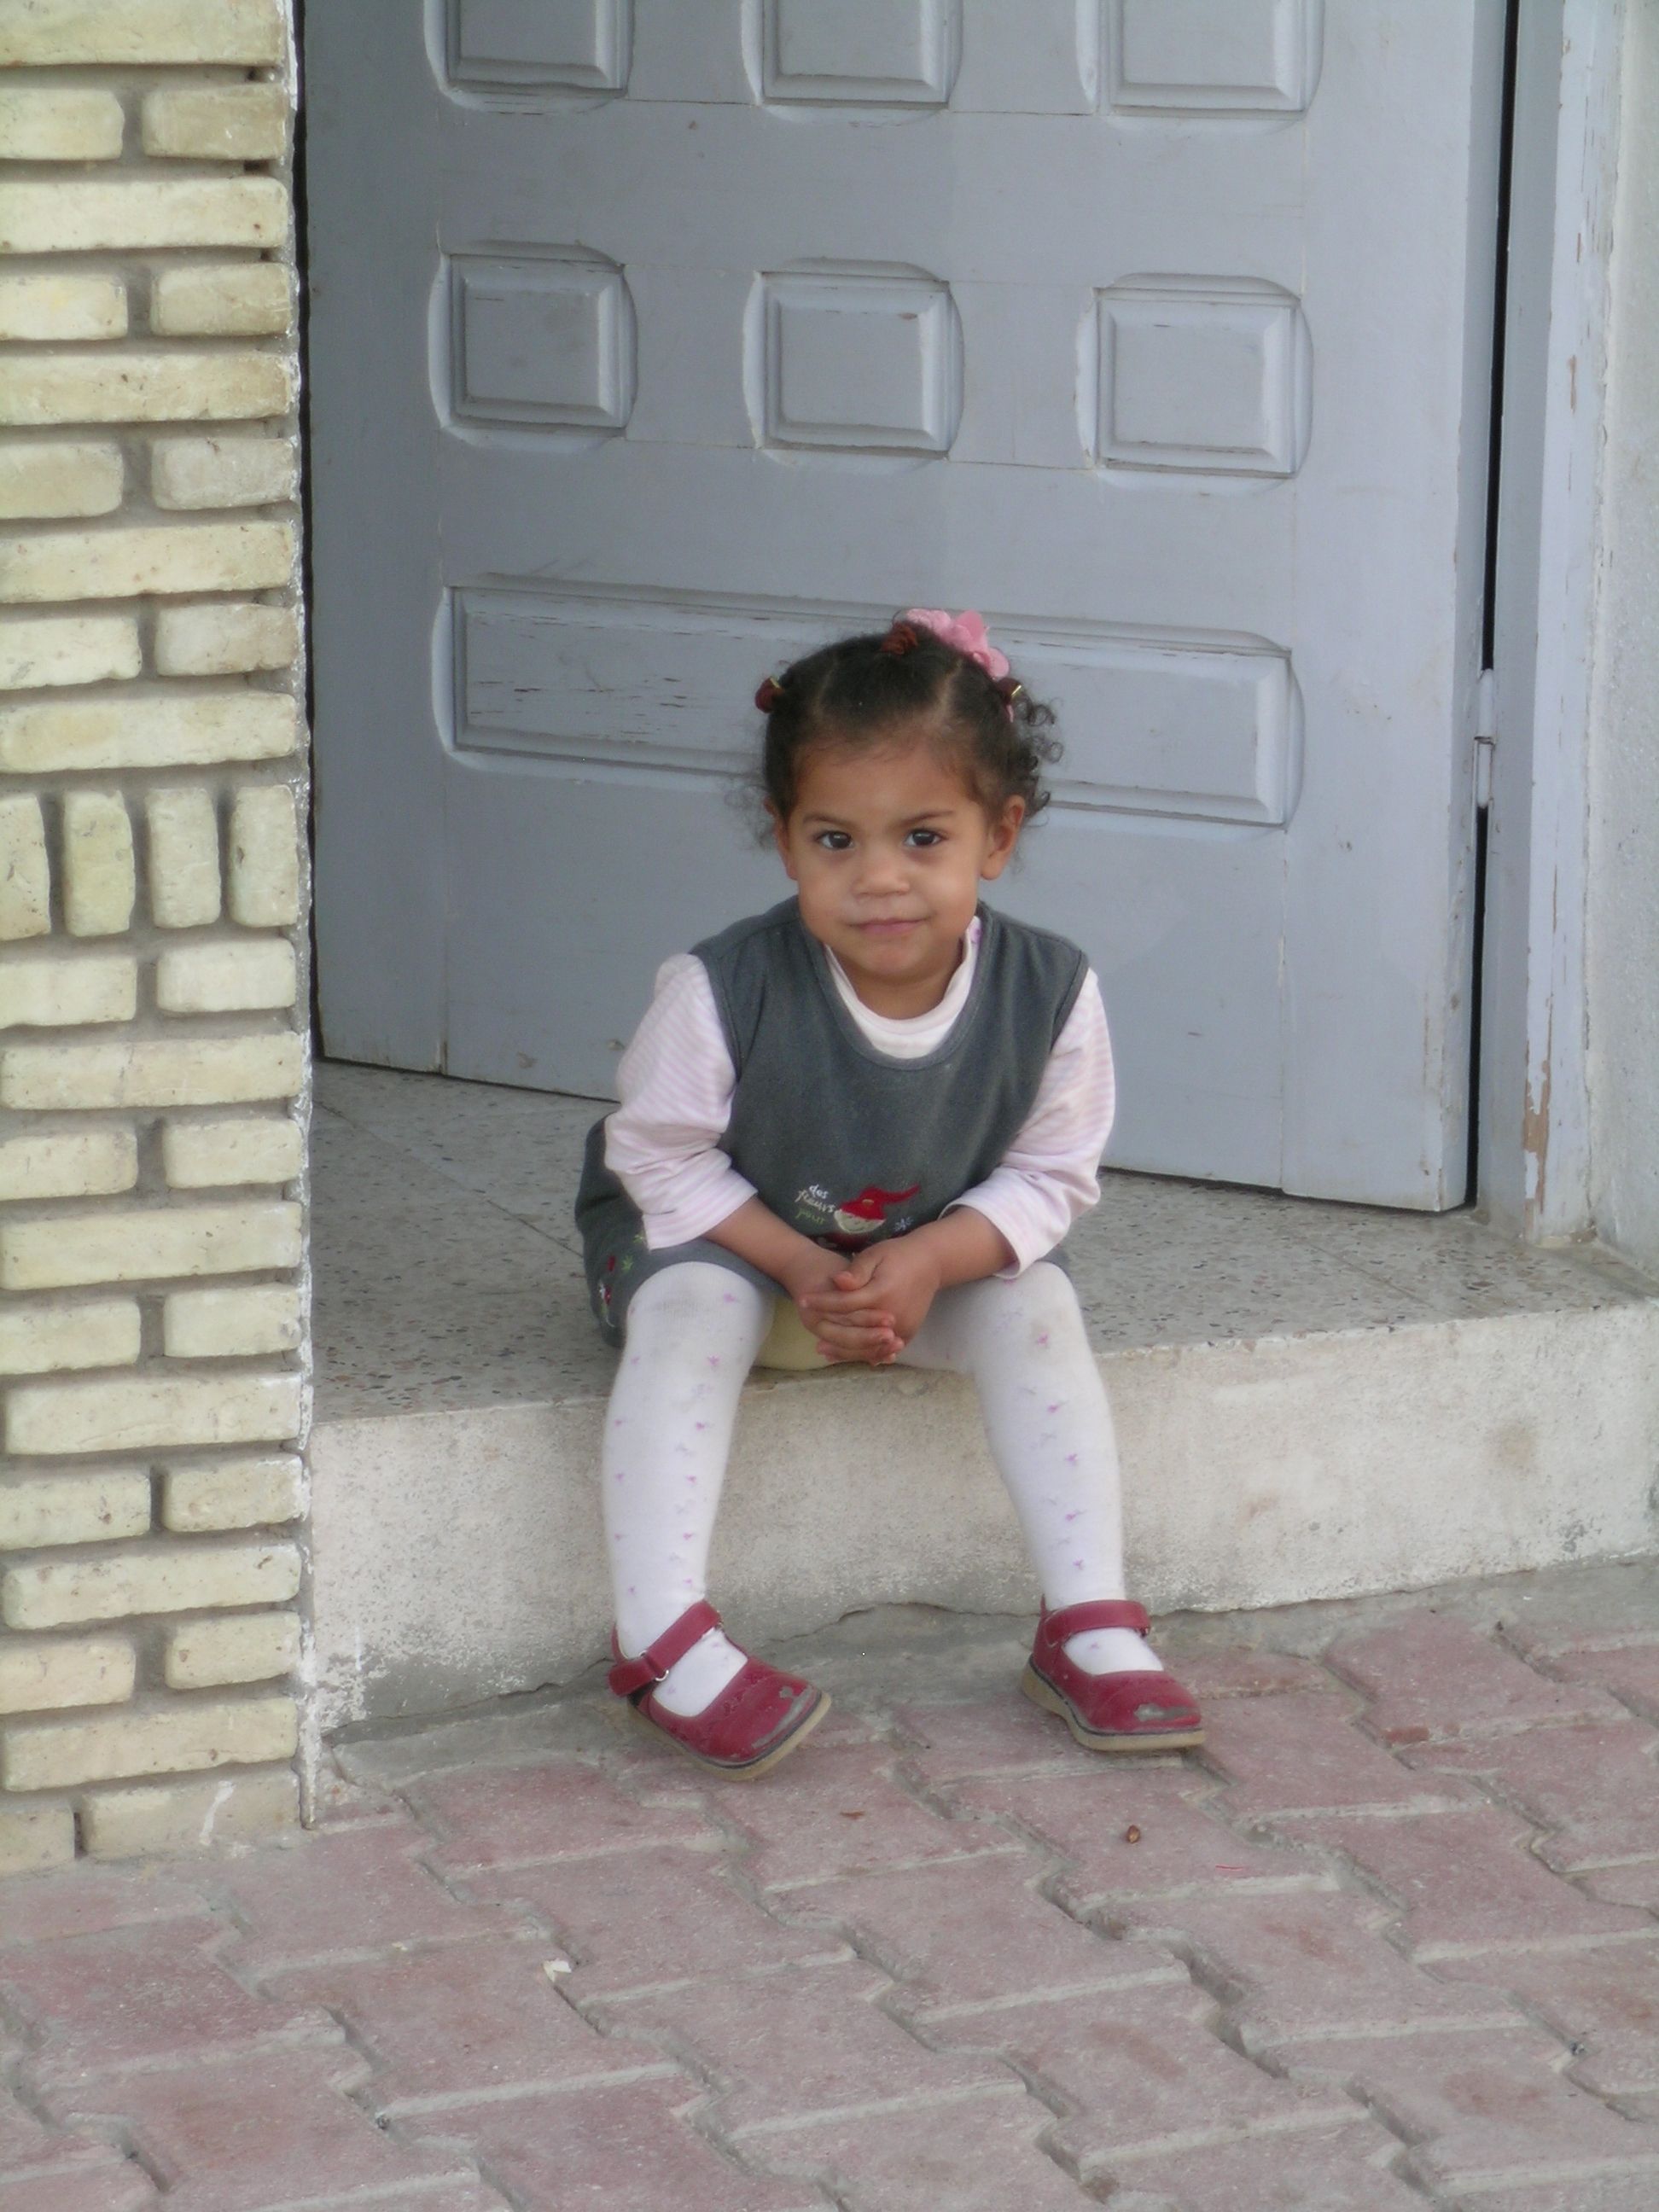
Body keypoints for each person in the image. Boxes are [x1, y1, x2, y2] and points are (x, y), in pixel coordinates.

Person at [575, 608, 1204, 1777]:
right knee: (695, 1310)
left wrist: (926, 1262)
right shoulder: (721, 988)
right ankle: (662, 1639)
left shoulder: (1051, 991)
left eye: (923, 837)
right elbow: (653, 1157)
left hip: (912, 1281)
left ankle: (1089, 1620)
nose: (878, 880)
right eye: (835, 840)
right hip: (728, 1259)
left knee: (1039, 1304)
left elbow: (1051, 1177)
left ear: (998, 834)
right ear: (784, 841)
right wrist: (797, 1262)